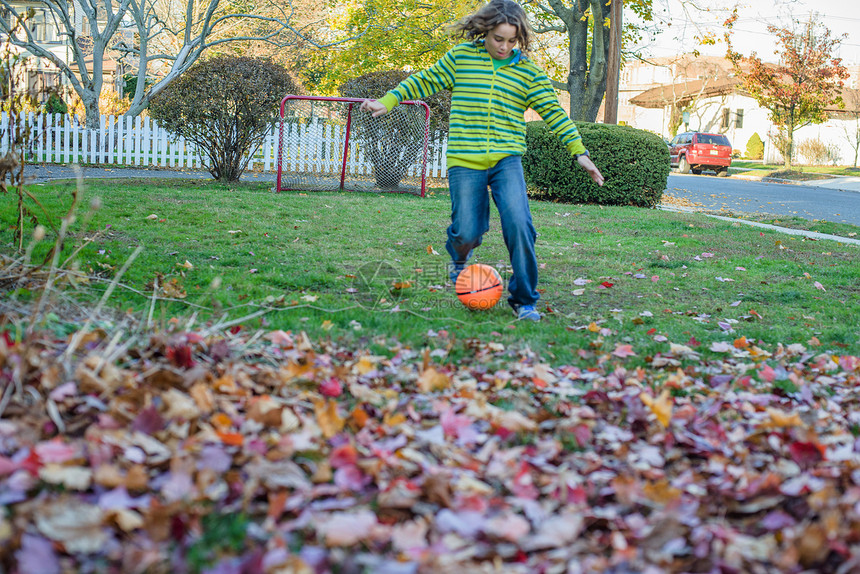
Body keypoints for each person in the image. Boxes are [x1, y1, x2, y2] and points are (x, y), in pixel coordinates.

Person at [360, 0, 604, 322]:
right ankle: (459, 259)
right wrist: (389, 100)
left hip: (506, 161)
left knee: (520, 225)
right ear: (484, 32)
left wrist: (580, 153)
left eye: (511, 40)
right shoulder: (462, 58)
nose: (504, 46)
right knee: (467, 232)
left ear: (519, 38)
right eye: (498, 39)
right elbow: (424, 81)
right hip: (465, 159)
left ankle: (524, 300)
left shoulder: (528, 73)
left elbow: (555, 115)